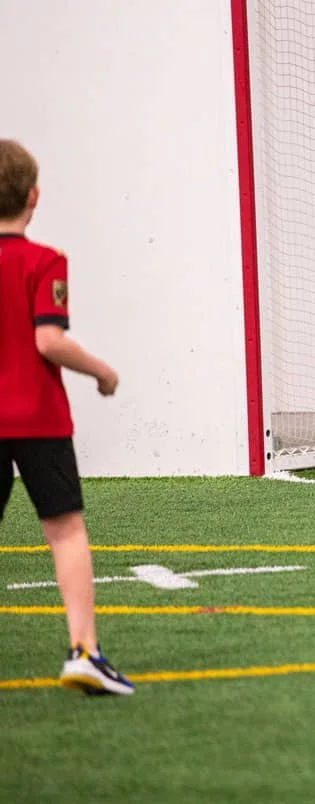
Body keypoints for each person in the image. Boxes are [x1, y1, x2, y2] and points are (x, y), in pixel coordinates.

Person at [0, 140, 133, 694]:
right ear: (34, 195)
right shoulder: (44, 261)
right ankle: (84, 650)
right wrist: (103, 371)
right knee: (65, 530)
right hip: (38, 419)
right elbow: (49, 340)